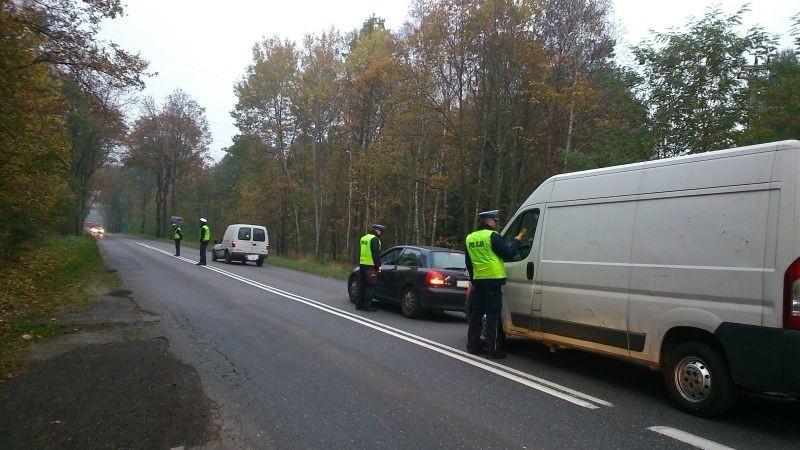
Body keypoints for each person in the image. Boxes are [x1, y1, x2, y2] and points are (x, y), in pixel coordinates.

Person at [465, 210, 527, 359]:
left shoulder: (470, 238)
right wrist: (517, 241)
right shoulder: (492, 236)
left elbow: (468, 262)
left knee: (476, 314)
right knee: (492, 314)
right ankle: (493, 349)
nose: (497, 223)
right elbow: (508, 253)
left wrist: (473, 280)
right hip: (493, 281)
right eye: (496, 220)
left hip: (478, 281)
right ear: (490, 221)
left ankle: (473, 345)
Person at [357, 223, 385, 311]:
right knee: (370, 286)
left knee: (362, 284)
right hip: (370, 266)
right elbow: (375, 254)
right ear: (377, 230)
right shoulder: (374, 239)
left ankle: (359, 304)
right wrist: (378, 266)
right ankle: (367, 305)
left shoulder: (364, 238)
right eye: (380, 231)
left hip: (362, 264)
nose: (380, 233)